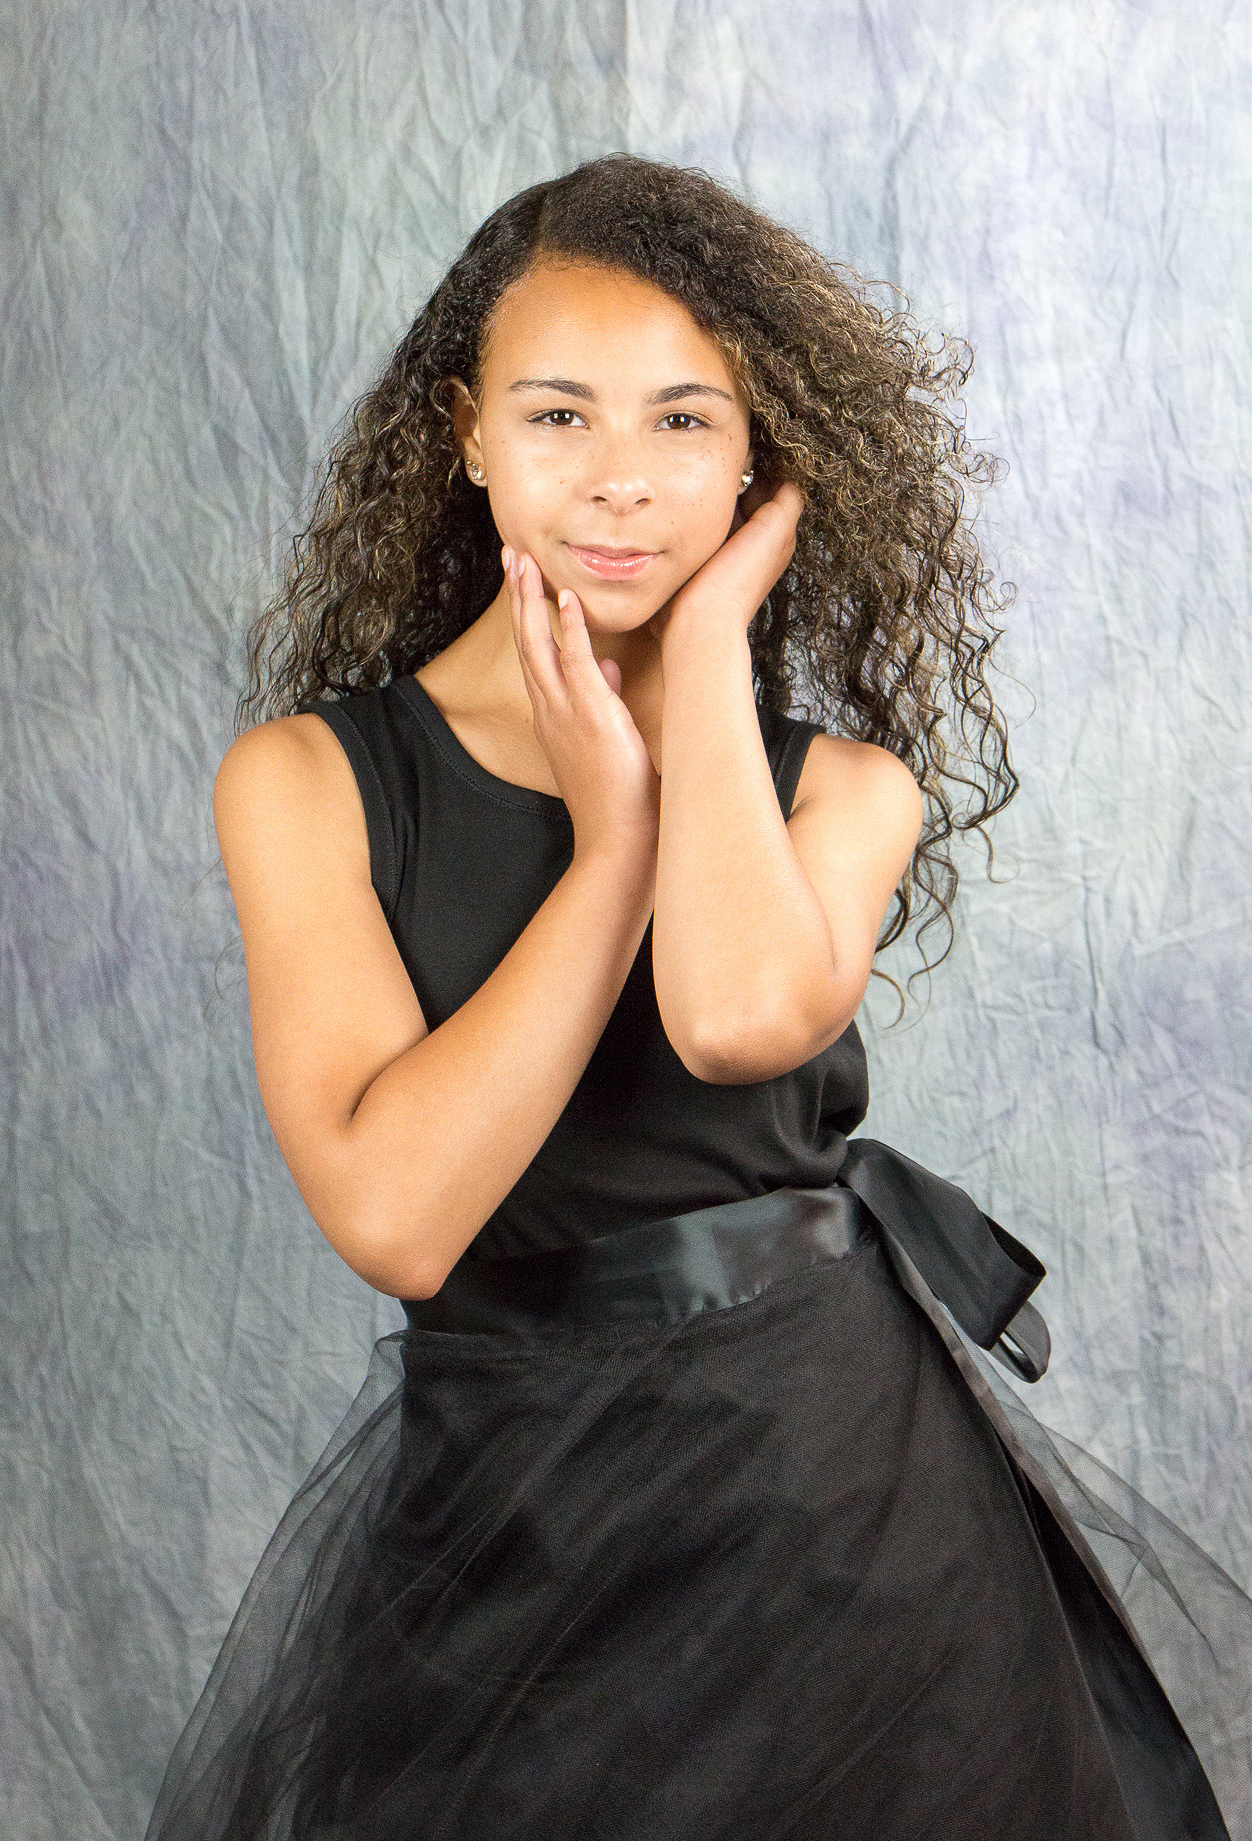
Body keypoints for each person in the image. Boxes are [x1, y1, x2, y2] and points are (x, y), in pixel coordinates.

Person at [146, 155, 1245, 1840]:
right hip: (505, 1520)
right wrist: (607, 854)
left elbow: (736, 1016)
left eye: (685, 424)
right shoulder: (309, 780)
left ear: (759, 461)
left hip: (833, 1502)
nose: (620, 483)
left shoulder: (846, 791)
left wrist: (714, 648)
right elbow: (399, 1219)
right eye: (559, 416)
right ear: (466, 433)